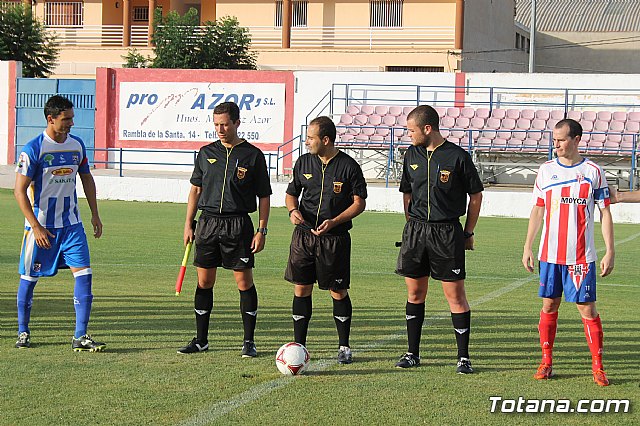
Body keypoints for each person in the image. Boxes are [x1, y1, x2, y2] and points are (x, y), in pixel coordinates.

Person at [522, 118, 614, 387]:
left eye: (561, 140)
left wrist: (610, 250)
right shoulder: (546, 170)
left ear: (576, 140)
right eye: (554, 140)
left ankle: (597, 366)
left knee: (587, 309)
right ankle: (546, 361)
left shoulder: (593, 171)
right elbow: (538, 209)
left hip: (581, 257)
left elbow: (604, 211)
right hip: (549, 255)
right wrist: (528, 246)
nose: (556, 145)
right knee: (549, 305)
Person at [395, 105, 483, 373]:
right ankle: (412, 353)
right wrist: (411, 226)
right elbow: (407, 192)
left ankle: (463, 358)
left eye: (411, 131)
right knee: (414, 293)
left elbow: (476, 196)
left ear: (427, 129)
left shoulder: (457, 157)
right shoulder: (411, 154)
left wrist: (467, 232)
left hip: (447, 233)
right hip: (416, 232)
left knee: (454, 296)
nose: (408, 135)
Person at [178, 101, 271, 357]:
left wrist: (262, 230)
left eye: (225, 124)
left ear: (237, 123)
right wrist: (188, 223)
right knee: (204, 282)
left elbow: (264, 196)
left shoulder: (253, 155)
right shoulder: (206, 152)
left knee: (243, 282)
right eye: (216, 124)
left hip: (238, 225)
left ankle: (249, 342)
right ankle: (201, 340)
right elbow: (195, 189)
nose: (220, 129)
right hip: (207, 223)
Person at [14, 95, 105, 351]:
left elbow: (86, 179)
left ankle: (80, 336)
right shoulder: (33, 149)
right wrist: (35, 226)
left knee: (85, 275)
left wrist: (95, 214)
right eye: (66, 119)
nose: (70, 123)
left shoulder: (77, 146)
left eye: (72, 118)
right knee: (29, 278)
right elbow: (19, 191)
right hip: (41, 226)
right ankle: (23, 331)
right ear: (50, 119)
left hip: (72, 225)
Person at [285, 116, 367, 364]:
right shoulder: (303, 162)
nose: (307, 141)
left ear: (326, 139)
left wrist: (335, 221)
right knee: (301, 288)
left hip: (335, 239)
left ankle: (344, 346)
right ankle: (299, 346)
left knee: (338, 291)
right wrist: (292, 211)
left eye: (311, 138)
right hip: (304, 237)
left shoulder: (349, 166)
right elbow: (291, 194)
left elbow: (359, 203)